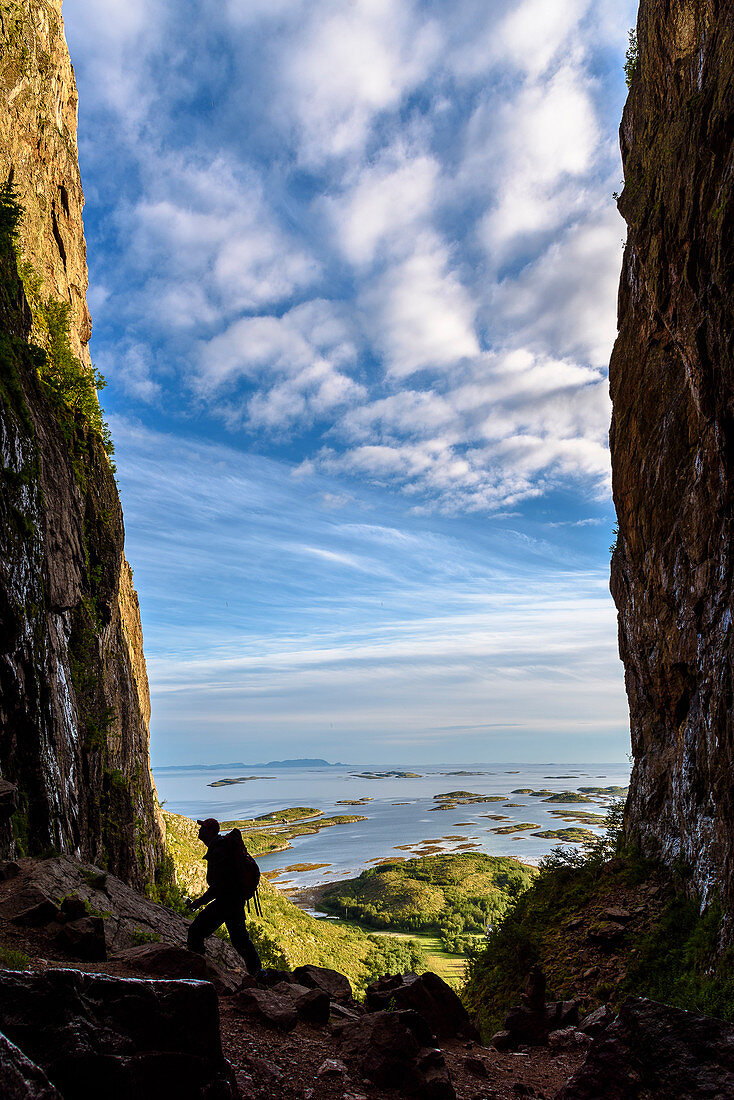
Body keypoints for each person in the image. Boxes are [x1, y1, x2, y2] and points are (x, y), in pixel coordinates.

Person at [187, 817, 262, 976]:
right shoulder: (220, 847)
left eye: (203, 828)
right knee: (240, 939)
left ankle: (198, 972)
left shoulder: (219, 850)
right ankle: (258, 973)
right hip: (234, 900)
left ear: (210, 832)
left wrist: (200, 902)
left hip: (226, 902)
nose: (199, 830)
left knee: (196, 932)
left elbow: (219, 885)